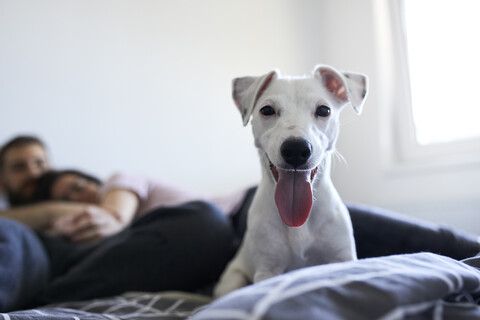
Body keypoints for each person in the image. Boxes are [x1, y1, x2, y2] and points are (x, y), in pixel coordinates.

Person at [0, 135, 240, 311]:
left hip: (204, 233)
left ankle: (42, 301)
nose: (34, 172)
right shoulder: (19, 231)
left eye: (40, 163)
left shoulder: (117, 183)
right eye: (20, 167)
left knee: (205, 221)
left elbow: (113, 218)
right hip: (90, 264)